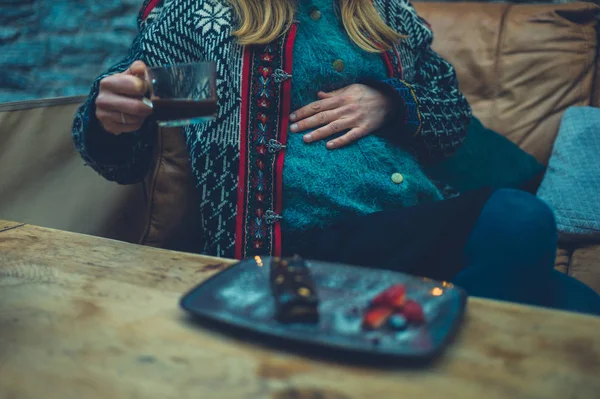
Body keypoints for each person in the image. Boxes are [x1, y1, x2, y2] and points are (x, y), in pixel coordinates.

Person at [72, 0, 600, 315]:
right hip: (296, 253)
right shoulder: (209, 19)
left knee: (579, 313)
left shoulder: (385, 16)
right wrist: (112, 115)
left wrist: (392, 101)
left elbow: (451, 122)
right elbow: (136, 125)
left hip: (417, 228)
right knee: (521, 217)